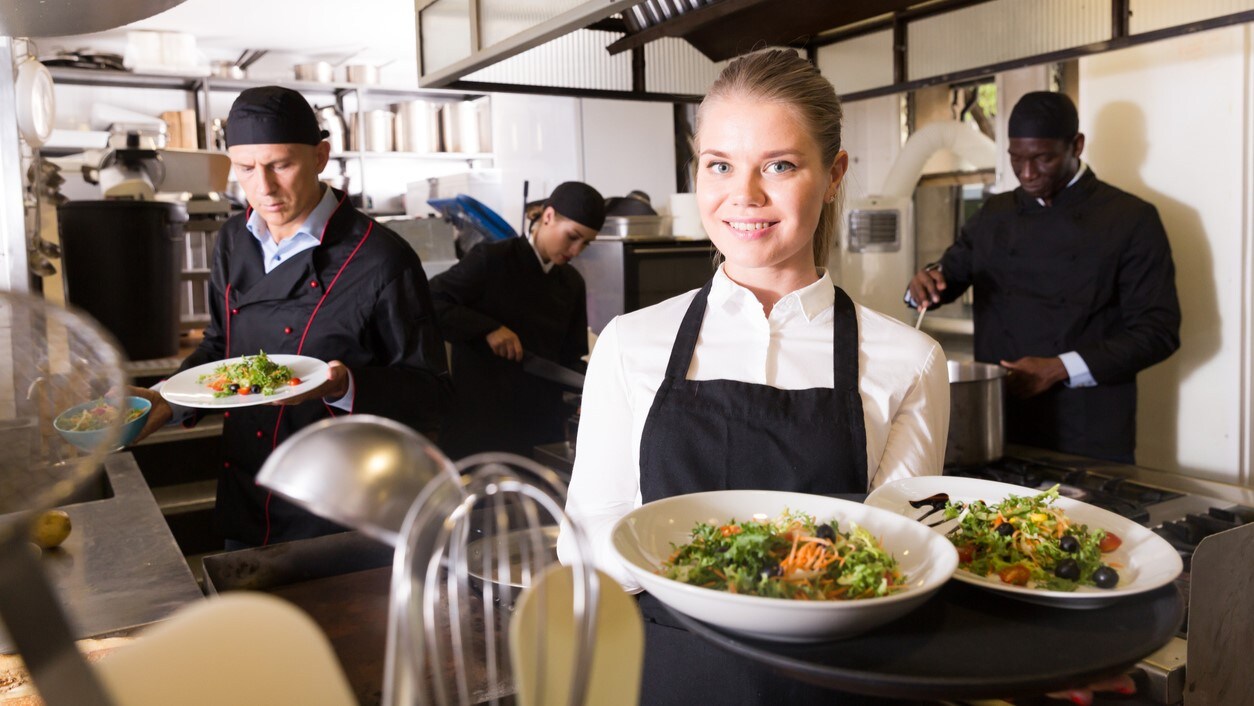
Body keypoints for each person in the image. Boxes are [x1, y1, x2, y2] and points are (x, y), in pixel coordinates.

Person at [558, 50, 949, 704]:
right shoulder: (631, 344)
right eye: (721, 165)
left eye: (780, 165)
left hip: (840, 686)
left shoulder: (909, 360)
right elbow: (588, 552)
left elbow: (899, 560)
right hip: (671, 678)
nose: (745, 196)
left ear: (833, 176)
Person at [131, 86, 452, 547]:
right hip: (247, 485)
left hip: (338, 510)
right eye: (245, 168)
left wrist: (346, 386)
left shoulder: (382, 260)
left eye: (281, 165)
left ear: (320, 156)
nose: (264, 187)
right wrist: (163, 399)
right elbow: (221, 348)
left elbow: (432, 393)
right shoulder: (232, 241)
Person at [906, 91, 1180, 464]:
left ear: (1076, 146)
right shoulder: (995, 213)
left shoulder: (1130, 219)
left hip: (1088, 428)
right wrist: (926, 282)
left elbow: (1158, 330)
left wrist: (1060, 367)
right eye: (1016, 160)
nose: (1027, 173)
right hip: (996, 422)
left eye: (1042, 158)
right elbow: (950, 274)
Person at [429, 181, 605, 458]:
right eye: (573, 237)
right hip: (479, 423)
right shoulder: (491, 259)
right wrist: (487, 329)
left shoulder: (572, 283)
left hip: (541, 427)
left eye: (586, 243)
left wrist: (587, 393)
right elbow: (430, 301)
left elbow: (570, 359)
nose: (576, 251)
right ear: (548, 217)